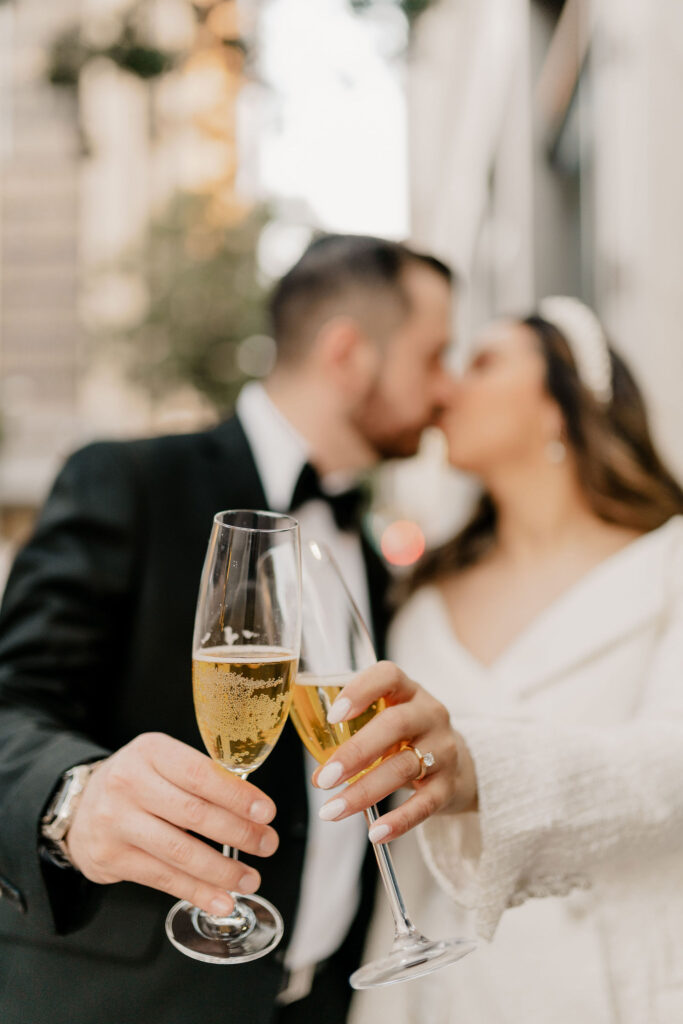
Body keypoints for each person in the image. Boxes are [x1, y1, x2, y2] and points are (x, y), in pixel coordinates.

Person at [0, 234, 456, 1024]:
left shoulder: (371, 550)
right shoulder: (131, 480)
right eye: (433, 357)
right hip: (128, 1003)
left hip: (322, 1001)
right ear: (348, 353)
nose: (446, 390)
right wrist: (74, 797)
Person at [309, 298, 683, 1024]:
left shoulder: (669, 566)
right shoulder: (418, 600)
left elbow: (670, 765)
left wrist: (481, 770)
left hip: (616, 988)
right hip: (447, 992)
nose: (444, 389)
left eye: (481, 363)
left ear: (561, 402)